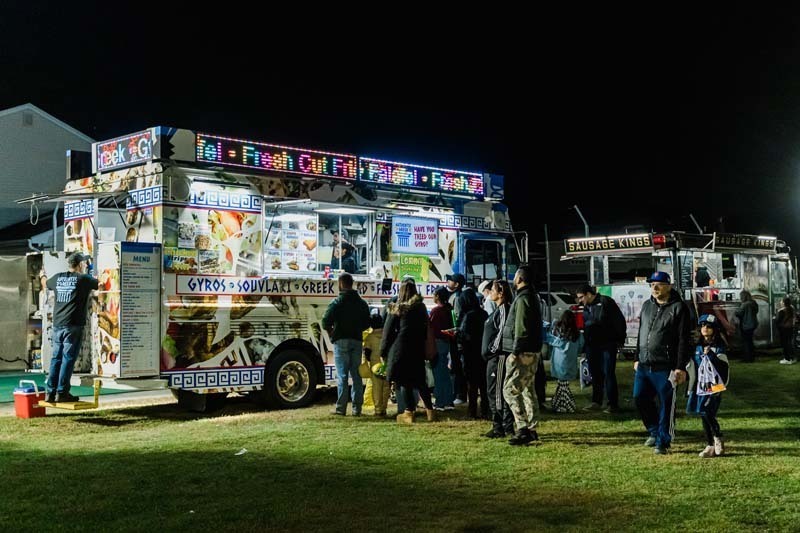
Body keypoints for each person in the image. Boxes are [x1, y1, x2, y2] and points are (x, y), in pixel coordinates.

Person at [633, 271, 691, 455]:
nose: (655, 288)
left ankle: (663, 441)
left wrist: (680, 367)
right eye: (652, 285)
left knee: (667, 405)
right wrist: (637, 357)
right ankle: (653, 430)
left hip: (665, 366)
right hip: (644, 364)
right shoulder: (646, 306)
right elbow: (642, 333)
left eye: (659, 284)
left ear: (669, 286)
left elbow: (684, 339)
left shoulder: (679, 308)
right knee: (639, 397)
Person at [43, 252, 98, 403]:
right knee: (67, 359)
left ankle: (50, 393)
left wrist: (42, 275)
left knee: (56, 358)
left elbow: (45, 283)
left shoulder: (57, 278)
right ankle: (62, 393)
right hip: (73, 325)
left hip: (58, 323)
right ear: (80, 265)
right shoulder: (83, 279)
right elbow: (102, 284)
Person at [382, 278, 435, 424]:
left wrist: (383, 351)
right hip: (417, 347)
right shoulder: (421, 307)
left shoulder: (397, 308)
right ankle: (430, 412)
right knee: (420, 381)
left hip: (401, 348)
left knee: (403, 381)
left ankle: (408, 412)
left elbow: (387, 332)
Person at [501, 265, 543, 446]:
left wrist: (516, 352)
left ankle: (522, 428)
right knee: (527, 390)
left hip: (523, 352)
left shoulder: (523, 299)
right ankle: (532, 428)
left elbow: (521, 327)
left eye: (515, 276)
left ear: (520, 279)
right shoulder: (531, 297)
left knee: (509, 391)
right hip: (531, 350)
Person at [322, 273, 371, 416]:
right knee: (357, 375)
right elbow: (367, 323)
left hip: (340, 341)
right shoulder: (361, 303)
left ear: (341, 283)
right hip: (356, 340)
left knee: (342, 375)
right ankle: (357, 409)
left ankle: (341, 408)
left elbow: (325, 321)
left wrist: (332, 333)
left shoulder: (337, 302)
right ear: (352, 283)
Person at [576, 284, 626, 413]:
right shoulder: (587, 307)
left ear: (588, 294)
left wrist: (619, 339)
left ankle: (613, 404)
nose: (580, 301)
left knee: (608, 373)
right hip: (592, 346)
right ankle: (596, 401)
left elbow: (619, 320)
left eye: (581, 297)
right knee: (595, 374)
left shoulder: (606, 302)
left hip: (607, 344)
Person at [686, 314, 729, 458]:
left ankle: (718, 437)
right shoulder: (697, 346)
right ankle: (710, 445)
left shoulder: (719, 347)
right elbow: (693, 367)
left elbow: (723, 368)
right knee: (703, 414)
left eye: (709, 326)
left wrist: (711, 355)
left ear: (715, 329)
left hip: (714, 386)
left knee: (706, 411)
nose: (705, 329)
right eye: (703, 326)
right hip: (700, 386)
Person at [481, 280, 515, 438]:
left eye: (493, 290)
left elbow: (501, 333)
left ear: (501, 293)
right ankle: (503, 425)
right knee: (494, 390)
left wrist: (492, 350)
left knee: (496, 392)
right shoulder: (497, 310)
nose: (490, 293)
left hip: (498, 357)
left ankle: (500, 426)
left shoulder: (503, 309)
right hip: (494, 357)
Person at [457, 287, 489, 419]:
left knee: (472, 385)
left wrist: (457, 334)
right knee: (484, 384)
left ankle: (472, 411)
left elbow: (464, 336)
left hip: (470, 353)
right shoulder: (483, 313)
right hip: (482, 352)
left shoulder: (468, 316)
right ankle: (486, 409)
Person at [545, 309, 584, 413]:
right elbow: (581, 346)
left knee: (562, 385)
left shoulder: (558, 332)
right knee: (563, 385)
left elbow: (550, 340)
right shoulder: (577, 334)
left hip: (558, 362)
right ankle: (559, 405)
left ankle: (565, 406)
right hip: (571, 361)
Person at [429, 287, 455, 411]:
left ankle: (439, 402)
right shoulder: (449, 309)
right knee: (445, 373)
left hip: (437, 343)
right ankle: (449, 400)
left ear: (438, 296)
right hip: (447, 342)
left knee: (438, 373)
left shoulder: (436, 311)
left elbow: (431, 328)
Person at [363, 312, 390, 416]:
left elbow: (367, 353)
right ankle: (384, 407)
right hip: (386, 365)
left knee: (377, 387)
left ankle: (378, 409)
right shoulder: (386, 336)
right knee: (386, 387)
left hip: (375, 365)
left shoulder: (369, 337)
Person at [446, 272, 467, 404]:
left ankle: (459, 394)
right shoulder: (456, 296)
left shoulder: (457, 298)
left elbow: (457, 319)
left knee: (456, 366)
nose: (448, 282)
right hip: (456, 336)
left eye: (451, 281)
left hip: (456, 337)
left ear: (457, 284)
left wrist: (453, 332)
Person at [735, 290, 759, 363]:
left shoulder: (744, 305)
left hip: (746, 325)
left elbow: (739, 313)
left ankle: (747, 358)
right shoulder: (754, 303)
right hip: (753, 324)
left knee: (746, 342)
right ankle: (751, 357)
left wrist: (736, 311)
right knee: (750, 342)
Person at [775, 297, 796, 365]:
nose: (780, 302)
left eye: (781, 301)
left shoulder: (782, 310)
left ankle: (787, 359)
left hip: (784, 328)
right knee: (789, 343)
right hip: (790, 328)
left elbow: (778, 320)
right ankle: (791, 358)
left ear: (784, 303)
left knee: (785, 344)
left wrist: (776, 315)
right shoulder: (791, 308)